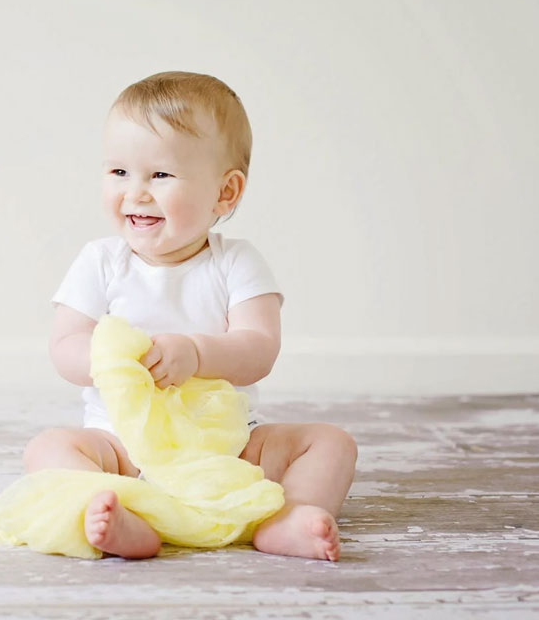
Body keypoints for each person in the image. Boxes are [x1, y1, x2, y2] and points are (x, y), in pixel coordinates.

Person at [23, 71, 358, 561]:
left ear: (225, 192)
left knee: (332, 444)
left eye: (159, 175)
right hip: (121, 446)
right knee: (47, 449)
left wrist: (197, 353)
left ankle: (289, 518)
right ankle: (122, 514)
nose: (135, 192)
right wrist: (116, 363)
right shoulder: (100, 261)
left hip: (225, 448)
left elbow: (259, 348)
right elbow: (65, 345)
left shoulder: (235, 262)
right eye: (118, 172)